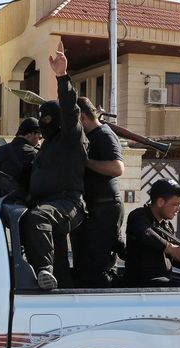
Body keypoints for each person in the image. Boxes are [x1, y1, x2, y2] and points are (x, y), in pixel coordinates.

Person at [20, 42, 88, 290]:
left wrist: (62, 77)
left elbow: (70, 110)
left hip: (68, 203)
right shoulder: (46, 145)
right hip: (48, 203)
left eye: (47, 118)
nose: (42, 123)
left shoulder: (70, 138)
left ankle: (43, 269)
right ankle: (56, 283)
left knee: (38, 217)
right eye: (41, 118)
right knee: (57, 255)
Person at [71, 96, 125, 288]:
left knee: (98, 263)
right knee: (87, 261)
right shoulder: (91, 136)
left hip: (106, 206)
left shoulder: (104, 134)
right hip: (96, 206)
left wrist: (85, 161)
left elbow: (117, 168)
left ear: (83, 118)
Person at [125, 178, 180, 287]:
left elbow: (171, 257)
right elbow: (145, 233)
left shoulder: (167, 226)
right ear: (160, 202)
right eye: (175, 204)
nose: (179, 209)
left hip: (162, 285)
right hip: (141, 287)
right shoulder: (138, 216)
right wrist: (171, 248)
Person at [0, 117, 42, 193]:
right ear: (30, 134)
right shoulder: (33, 154)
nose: (39, 142)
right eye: (39, 137)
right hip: (20, 203)